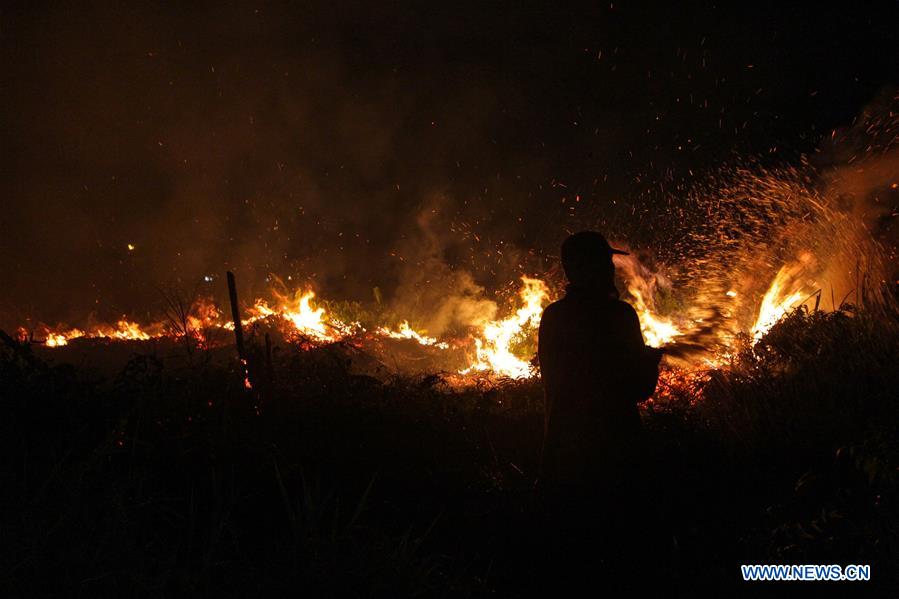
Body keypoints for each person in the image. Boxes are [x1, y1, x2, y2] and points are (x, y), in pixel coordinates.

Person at [537, 231, 662, 491]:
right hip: (616, 459)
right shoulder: (619, 315)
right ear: (589, 268)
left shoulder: (553, 316)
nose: (611, 269)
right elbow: (639, 388)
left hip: (563, 458)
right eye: (605, 262)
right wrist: (650, 361)